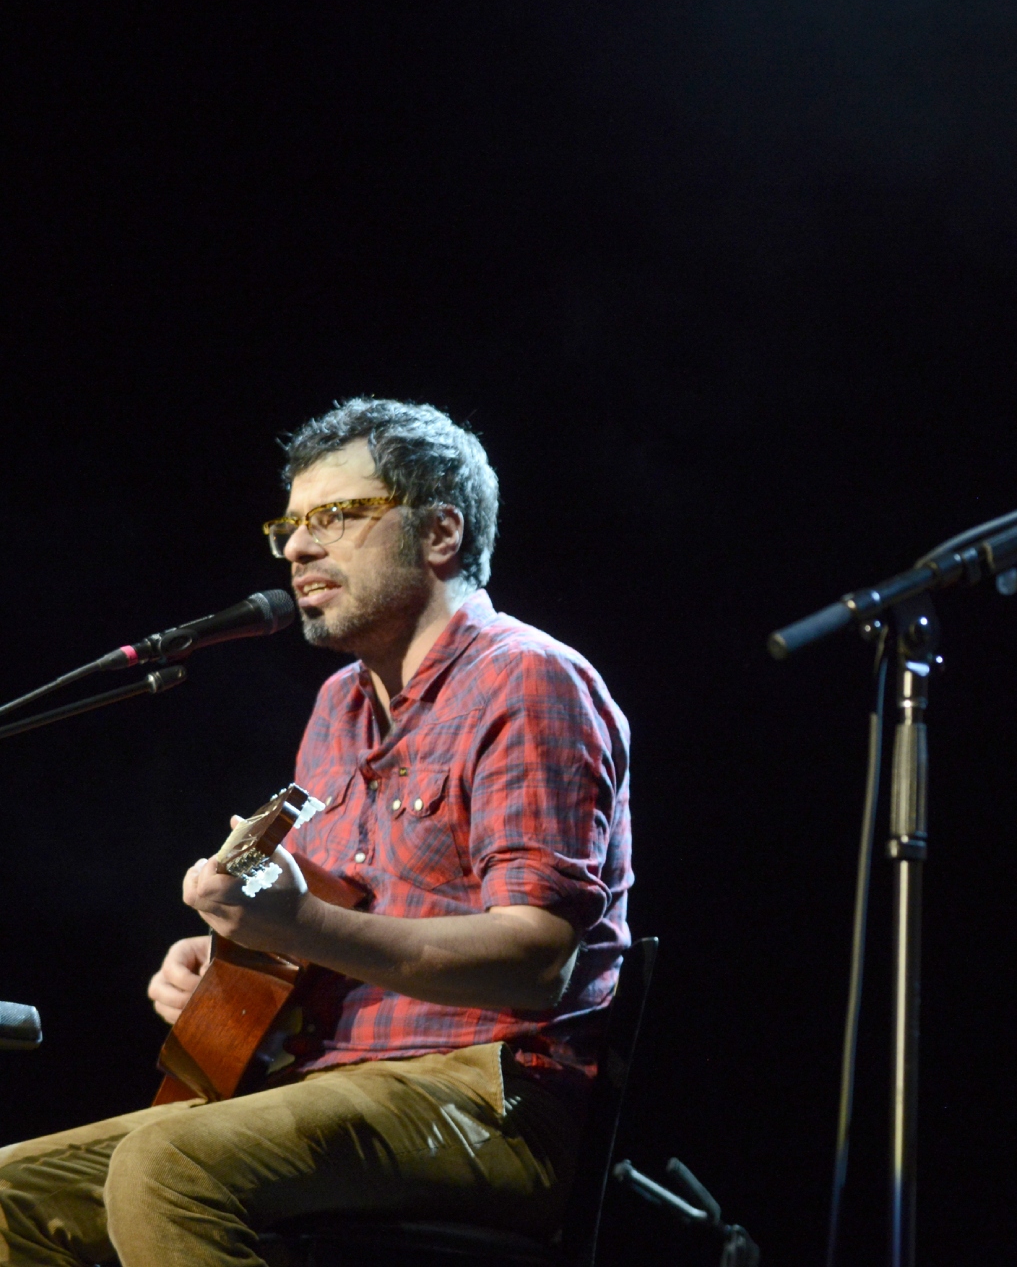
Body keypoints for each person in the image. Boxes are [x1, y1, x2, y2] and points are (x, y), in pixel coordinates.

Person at [0, 399, 634, 1266]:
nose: (297, 548)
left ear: (441, 533)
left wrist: (298, 926)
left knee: (166, 1162)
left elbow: (536, 959)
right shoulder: (338, 705)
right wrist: (237, 964)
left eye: (335, 517)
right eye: (288, 526)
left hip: (494, 1101)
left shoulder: (527, 681)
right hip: (325, 1085)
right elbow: (329, 921)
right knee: (12, 1191)